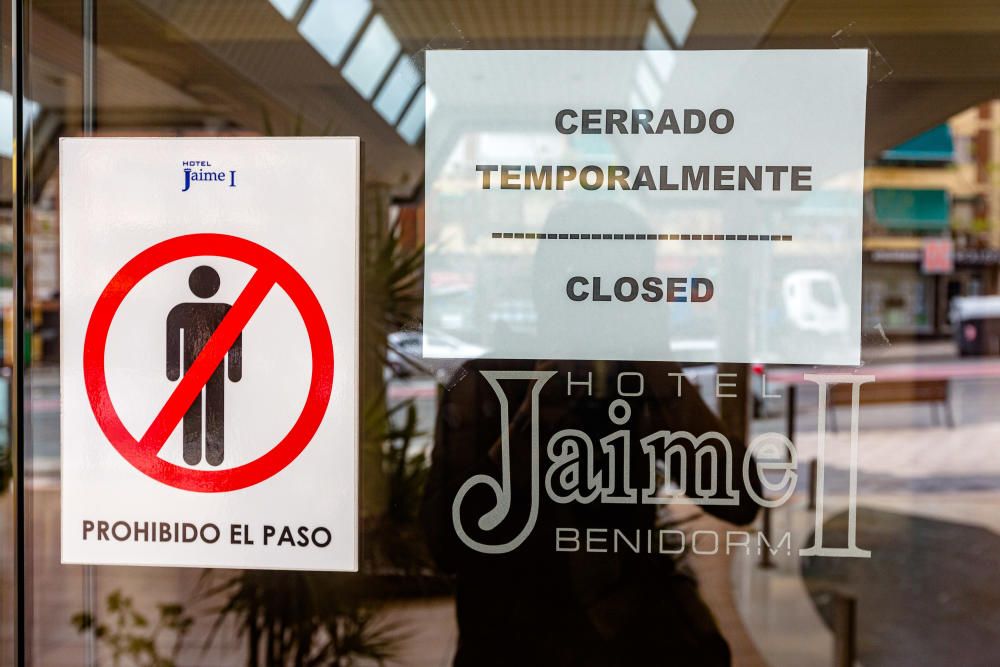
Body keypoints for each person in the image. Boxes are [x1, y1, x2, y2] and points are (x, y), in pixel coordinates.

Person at [166, 265, 242, 466]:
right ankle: (205, 454)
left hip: (197, 370)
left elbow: (173, 344)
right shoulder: (225, 310)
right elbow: (236, 348)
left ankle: (201, 454)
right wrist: (235, 371)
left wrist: (172, 371)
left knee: (202, 409)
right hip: (207, 370)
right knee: (210, 409)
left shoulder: (180, 311)